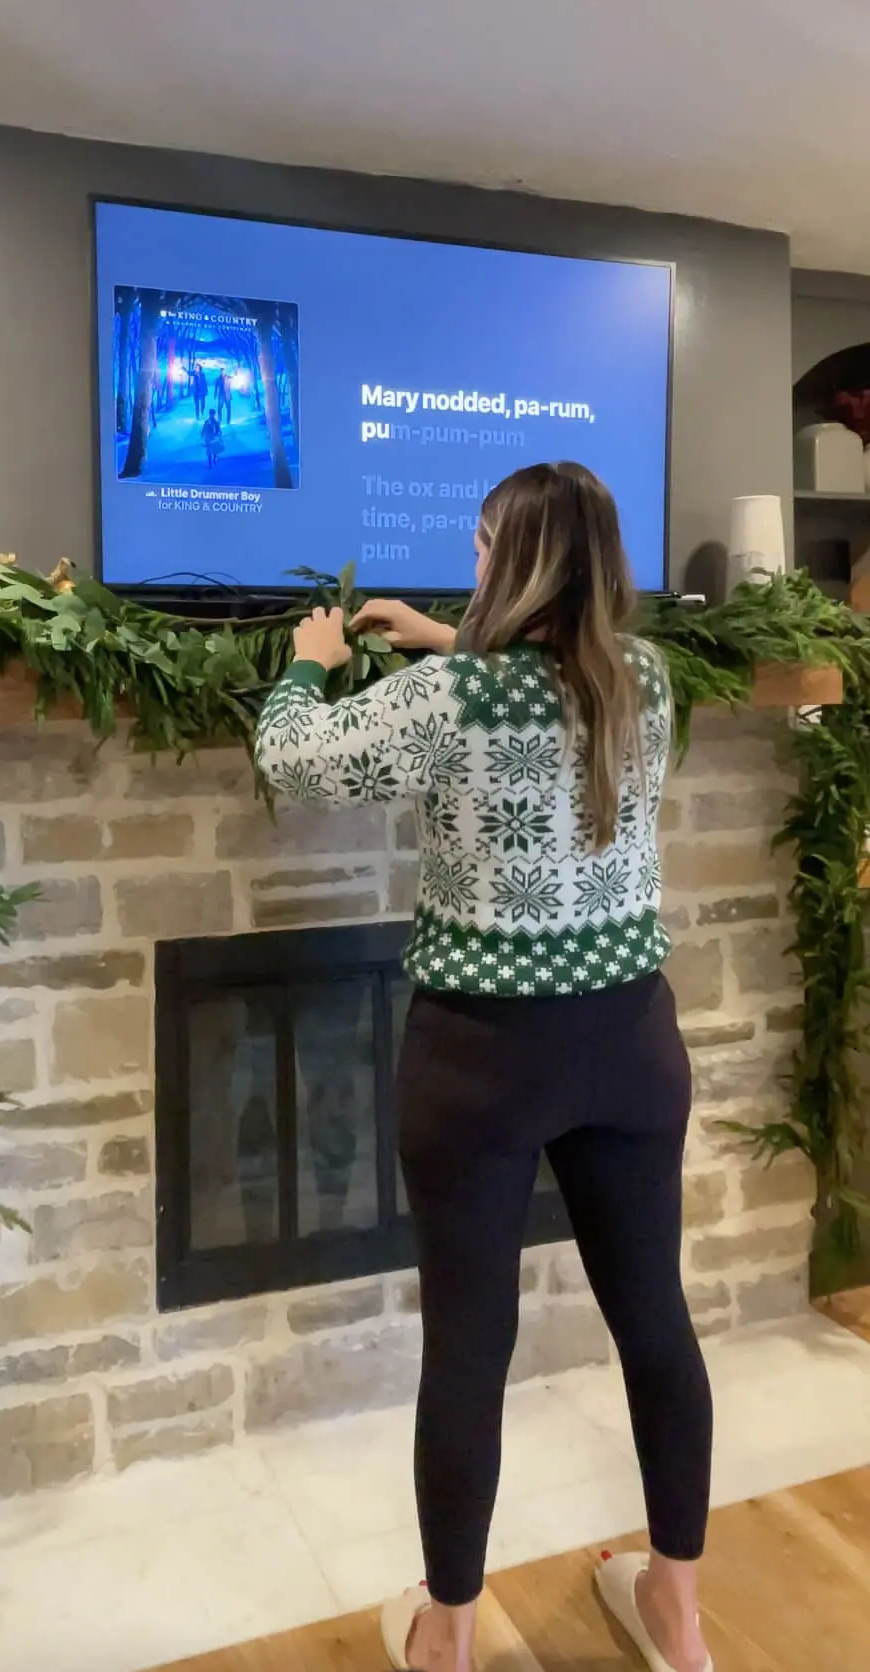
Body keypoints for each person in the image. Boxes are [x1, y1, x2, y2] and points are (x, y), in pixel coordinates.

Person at [255, 462, 713, 1672]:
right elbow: (544, 687)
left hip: (482, 1064)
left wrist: (310, 659)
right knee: (655, 1321)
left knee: (468, 1345)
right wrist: (440, 635)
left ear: (510, 563)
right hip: (630, 1047)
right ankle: (678, 1618)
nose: (471, 564)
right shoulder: (644, 678)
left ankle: (448, 1638)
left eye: (478, 547)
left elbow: (296, 761)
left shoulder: (450, 698)